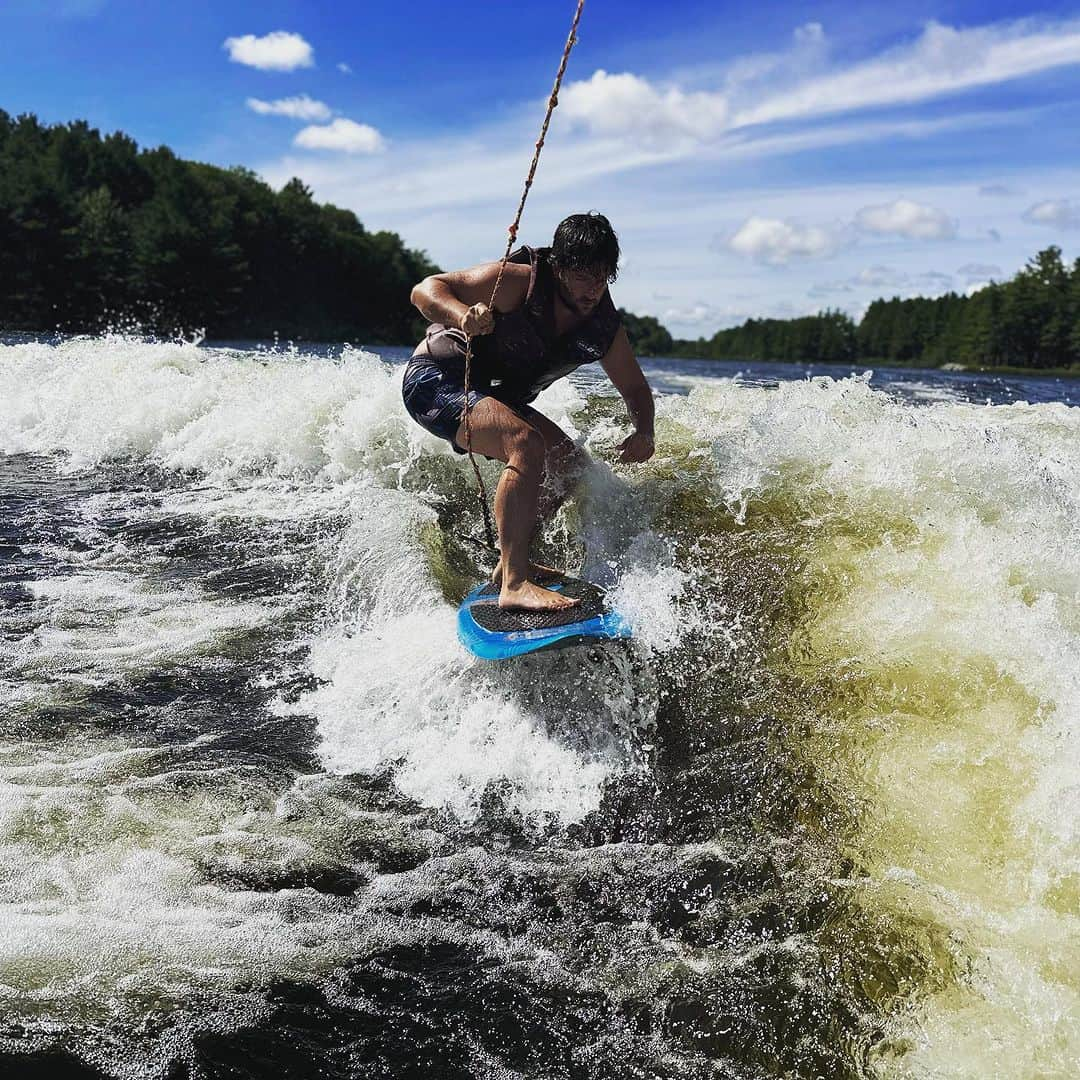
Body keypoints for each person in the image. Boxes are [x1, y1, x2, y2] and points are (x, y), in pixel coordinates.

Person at [403, 212, 655, 612]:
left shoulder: (604, 326)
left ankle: (509, 564)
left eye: (603, 275)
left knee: (567, 462)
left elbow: (636, 388)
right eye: (583, 275)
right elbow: (426, 290)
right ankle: (516, 585)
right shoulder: (516, 282)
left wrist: (644, 431)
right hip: (437, 381)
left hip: (493, 397)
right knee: (526, 444)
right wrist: (462, 315)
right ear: (558, 266)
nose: (594, 288)